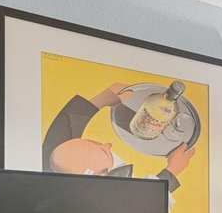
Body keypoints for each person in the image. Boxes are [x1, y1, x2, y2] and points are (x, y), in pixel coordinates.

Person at [43, 82, 195, 200]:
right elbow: (141, 207)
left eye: (93, 142)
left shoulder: (54, 167)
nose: (108, 144)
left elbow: (58, 139)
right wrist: (173, 170)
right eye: (103, 151)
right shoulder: (103, 203)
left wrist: (100, 100)